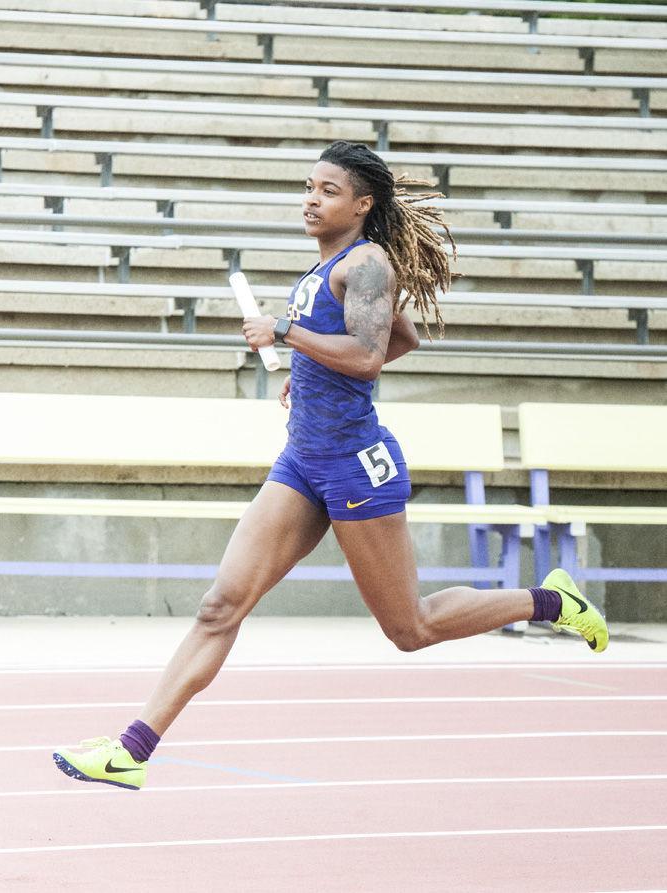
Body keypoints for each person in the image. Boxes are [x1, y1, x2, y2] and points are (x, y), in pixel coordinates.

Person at [53, 140, 609, 791]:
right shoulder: (328, 266)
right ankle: (132, 750)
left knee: (411, 627)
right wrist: (312, 367)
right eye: (308, 187)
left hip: (354, 466)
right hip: (302, 462)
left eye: (328, 190)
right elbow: (402, 338)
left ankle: (552, 599)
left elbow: (370, 356)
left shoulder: (368, 265)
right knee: (220, 604)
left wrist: (289, 337)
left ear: (363, 204)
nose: (312, 199)